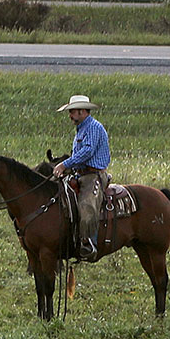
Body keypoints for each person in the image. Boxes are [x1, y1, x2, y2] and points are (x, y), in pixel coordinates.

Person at [56, 94, 110, 262]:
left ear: (81, 111)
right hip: (80, 173)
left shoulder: (94, 127)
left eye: (72, 112)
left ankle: (89, 243)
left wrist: (65, 164)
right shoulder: (82, 128)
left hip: (93, 175)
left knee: (87, 206)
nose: (70, 116)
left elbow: (87, 152)